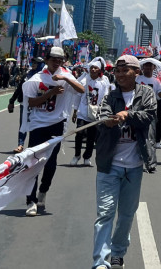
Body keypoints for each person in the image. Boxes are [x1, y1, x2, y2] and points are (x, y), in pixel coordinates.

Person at [93, 54, 157, 269]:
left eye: (124, 70)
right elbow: (101, 119)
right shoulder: (109, 97)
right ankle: (100, 262)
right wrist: (108, 122)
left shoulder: (147, 93)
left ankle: (118, 252)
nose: (119, 74)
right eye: (117, 71)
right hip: (108, 164)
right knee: (105, 213)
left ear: (136, 72)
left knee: (127, 214)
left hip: (135, 166)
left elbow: (149, 115)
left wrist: (126, 115)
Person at [21, 46, 85, 216]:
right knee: (33, 163)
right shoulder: (37, 78)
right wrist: (52, 92)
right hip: (38, 125)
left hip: (57, 124)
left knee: (50, 163)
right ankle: (31, 200)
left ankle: (43, 190)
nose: (57, 62)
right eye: (53, 59)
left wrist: (66, 78)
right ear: (47, 59)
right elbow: (32, 103)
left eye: (60, 59)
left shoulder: (66, 75)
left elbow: (81, 90)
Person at [72, 58, 110, 167]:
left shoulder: (103, 81)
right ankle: (77, 155)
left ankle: (87, 157)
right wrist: (75, 111)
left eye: (95, 68)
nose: (93, 70)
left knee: (91, 137)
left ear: (99, 70)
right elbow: (78, 96)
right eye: (92, 67)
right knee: (79, 134)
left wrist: (104, 112)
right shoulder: (84, 81)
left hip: (95, 113)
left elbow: (105, 97)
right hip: (82, 111)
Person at [8, 57, 44, 152]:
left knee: (36, 125)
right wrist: (11, 101)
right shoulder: (27, 75)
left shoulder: (44, 76)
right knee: (23, 123)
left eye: (36, 62)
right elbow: (19, 89)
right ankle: (20, 144)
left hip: (38, 105)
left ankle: (34, 146)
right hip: (25, 104)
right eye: (33, 62)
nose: (34, 64)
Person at [137, 60, 161, 150]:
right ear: (143, 67)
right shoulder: (138, 79)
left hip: (151, 109)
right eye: (146, 65)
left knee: (151, 128)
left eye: (150, 66)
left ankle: (150, 145)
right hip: (138, 107)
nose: (148, 68)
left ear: (154, 68)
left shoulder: (156, 81)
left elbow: (160, 95)